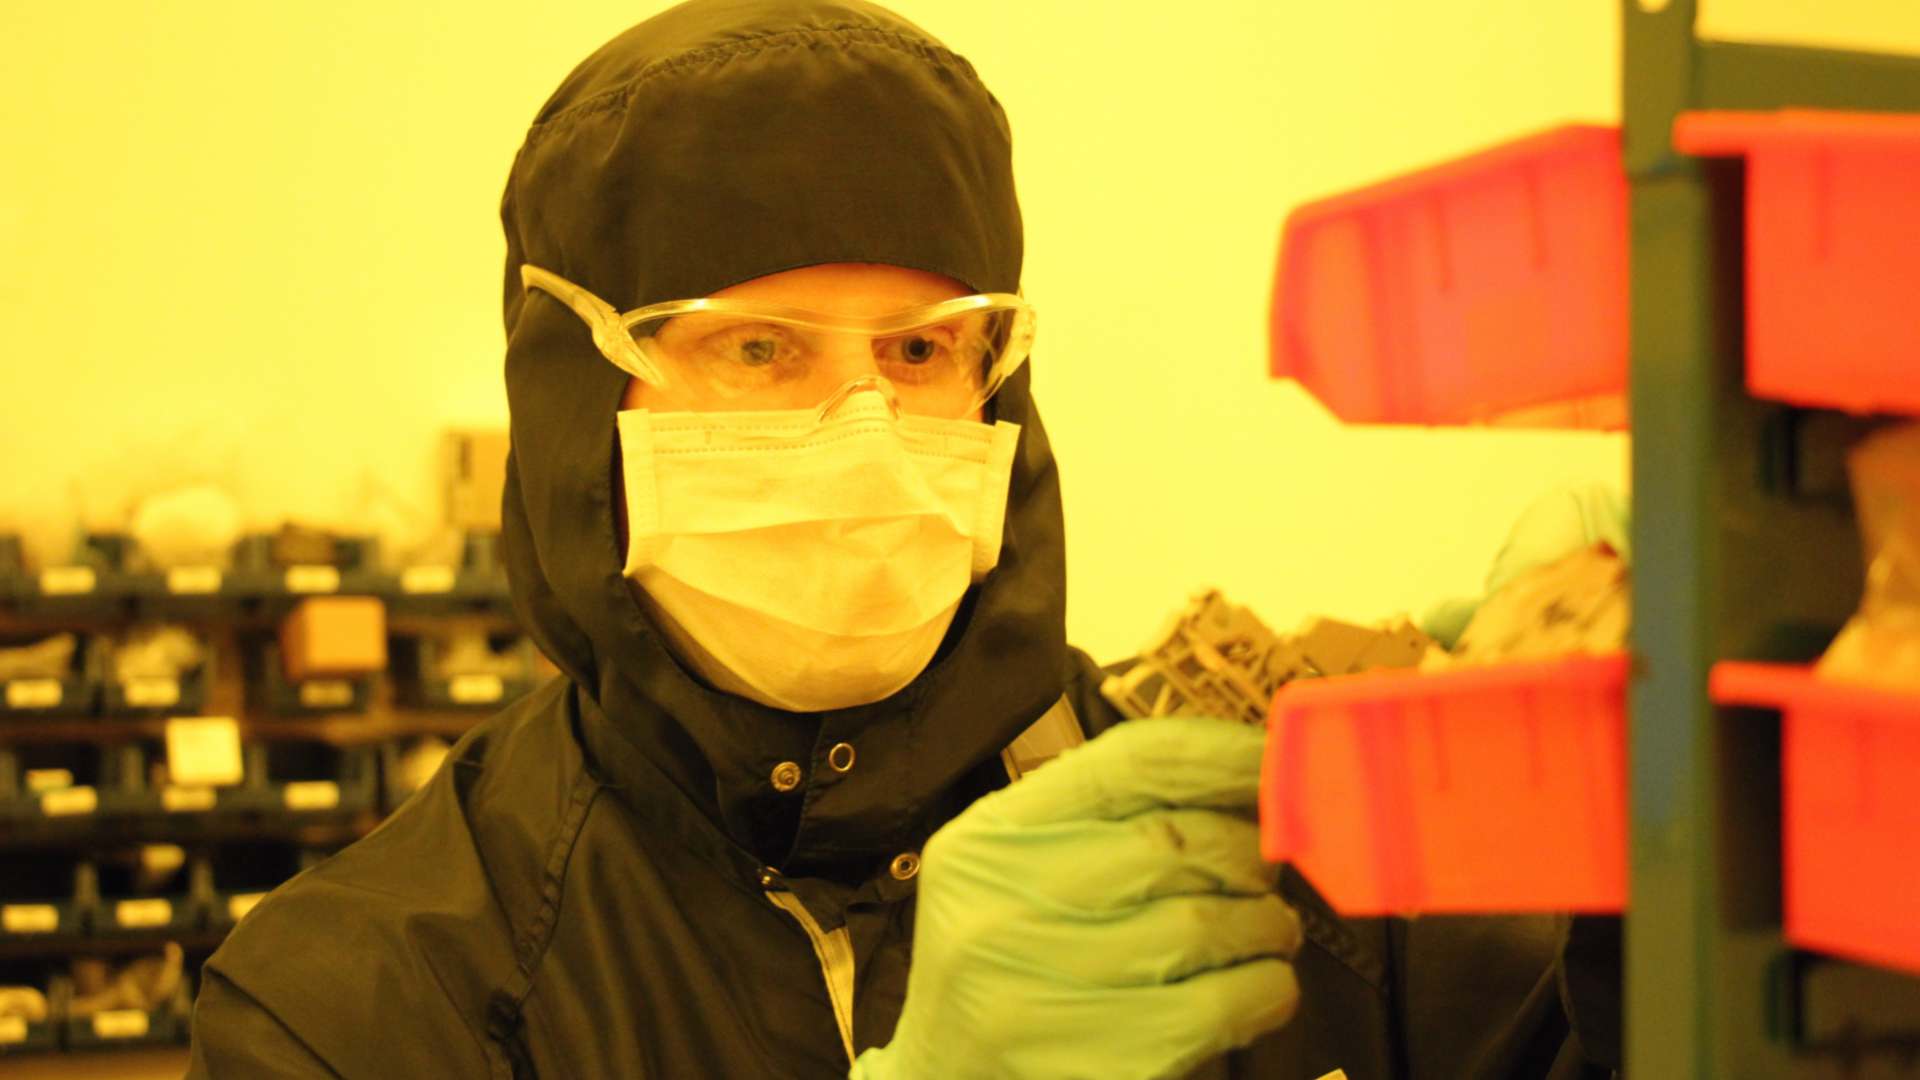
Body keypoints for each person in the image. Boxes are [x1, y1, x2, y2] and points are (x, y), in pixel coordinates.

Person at [187, 2, 1618, 1077]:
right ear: (575, 407)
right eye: (757, 348)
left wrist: (1673, 844)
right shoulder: (359, 1005)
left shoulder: (1300, 854)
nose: (866, 428)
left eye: (924, 350)